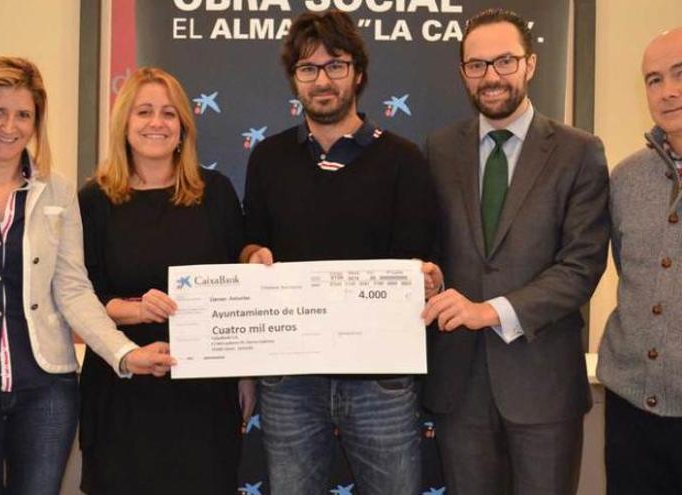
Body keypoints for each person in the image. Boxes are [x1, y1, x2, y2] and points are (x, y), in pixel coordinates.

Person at [0, 57, 174, 495]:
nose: (9, 126)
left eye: (23, 115)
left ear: (37, 122)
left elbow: (73, 289)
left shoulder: (57, 191)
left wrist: (125, 354)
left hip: (45, 391)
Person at [240, 10, 438, 495]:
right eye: (308, 69)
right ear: (294, 80)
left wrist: (426, 278)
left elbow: (421, 259)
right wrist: (251, 258)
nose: (322, 80)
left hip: (381, 381)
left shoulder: (404, 160)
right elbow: (249, 240)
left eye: (335, 66)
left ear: (359, 74)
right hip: (290, 378)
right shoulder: (268, 158)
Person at [421, 8, 610, 495]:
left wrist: (490, 311)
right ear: (463, 72)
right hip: (459, 388)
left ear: (530, 64)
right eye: (477, 65)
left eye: (505, 61)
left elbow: (580, 266)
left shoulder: (579, 151)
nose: (491, 77)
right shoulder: (439, 150)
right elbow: (431, 247)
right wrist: (427, 277)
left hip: (543, 385)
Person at [77, 66, 254, 495]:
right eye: (144, 112)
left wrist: (246, 374)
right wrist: (136, 311)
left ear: (183, 128)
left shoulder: (216, 193)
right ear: (124, 124)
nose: (156, 123)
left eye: (168, 113)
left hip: (204, 394)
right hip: (122, 390)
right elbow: (79, 298)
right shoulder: (93, 200)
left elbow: (240, 284)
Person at [597, 26, 682, 494]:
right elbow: (628, 273)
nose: (667, 91)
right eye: (653, 79)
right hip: (632, 412)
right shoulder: (626, 179)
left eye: (679, 74)